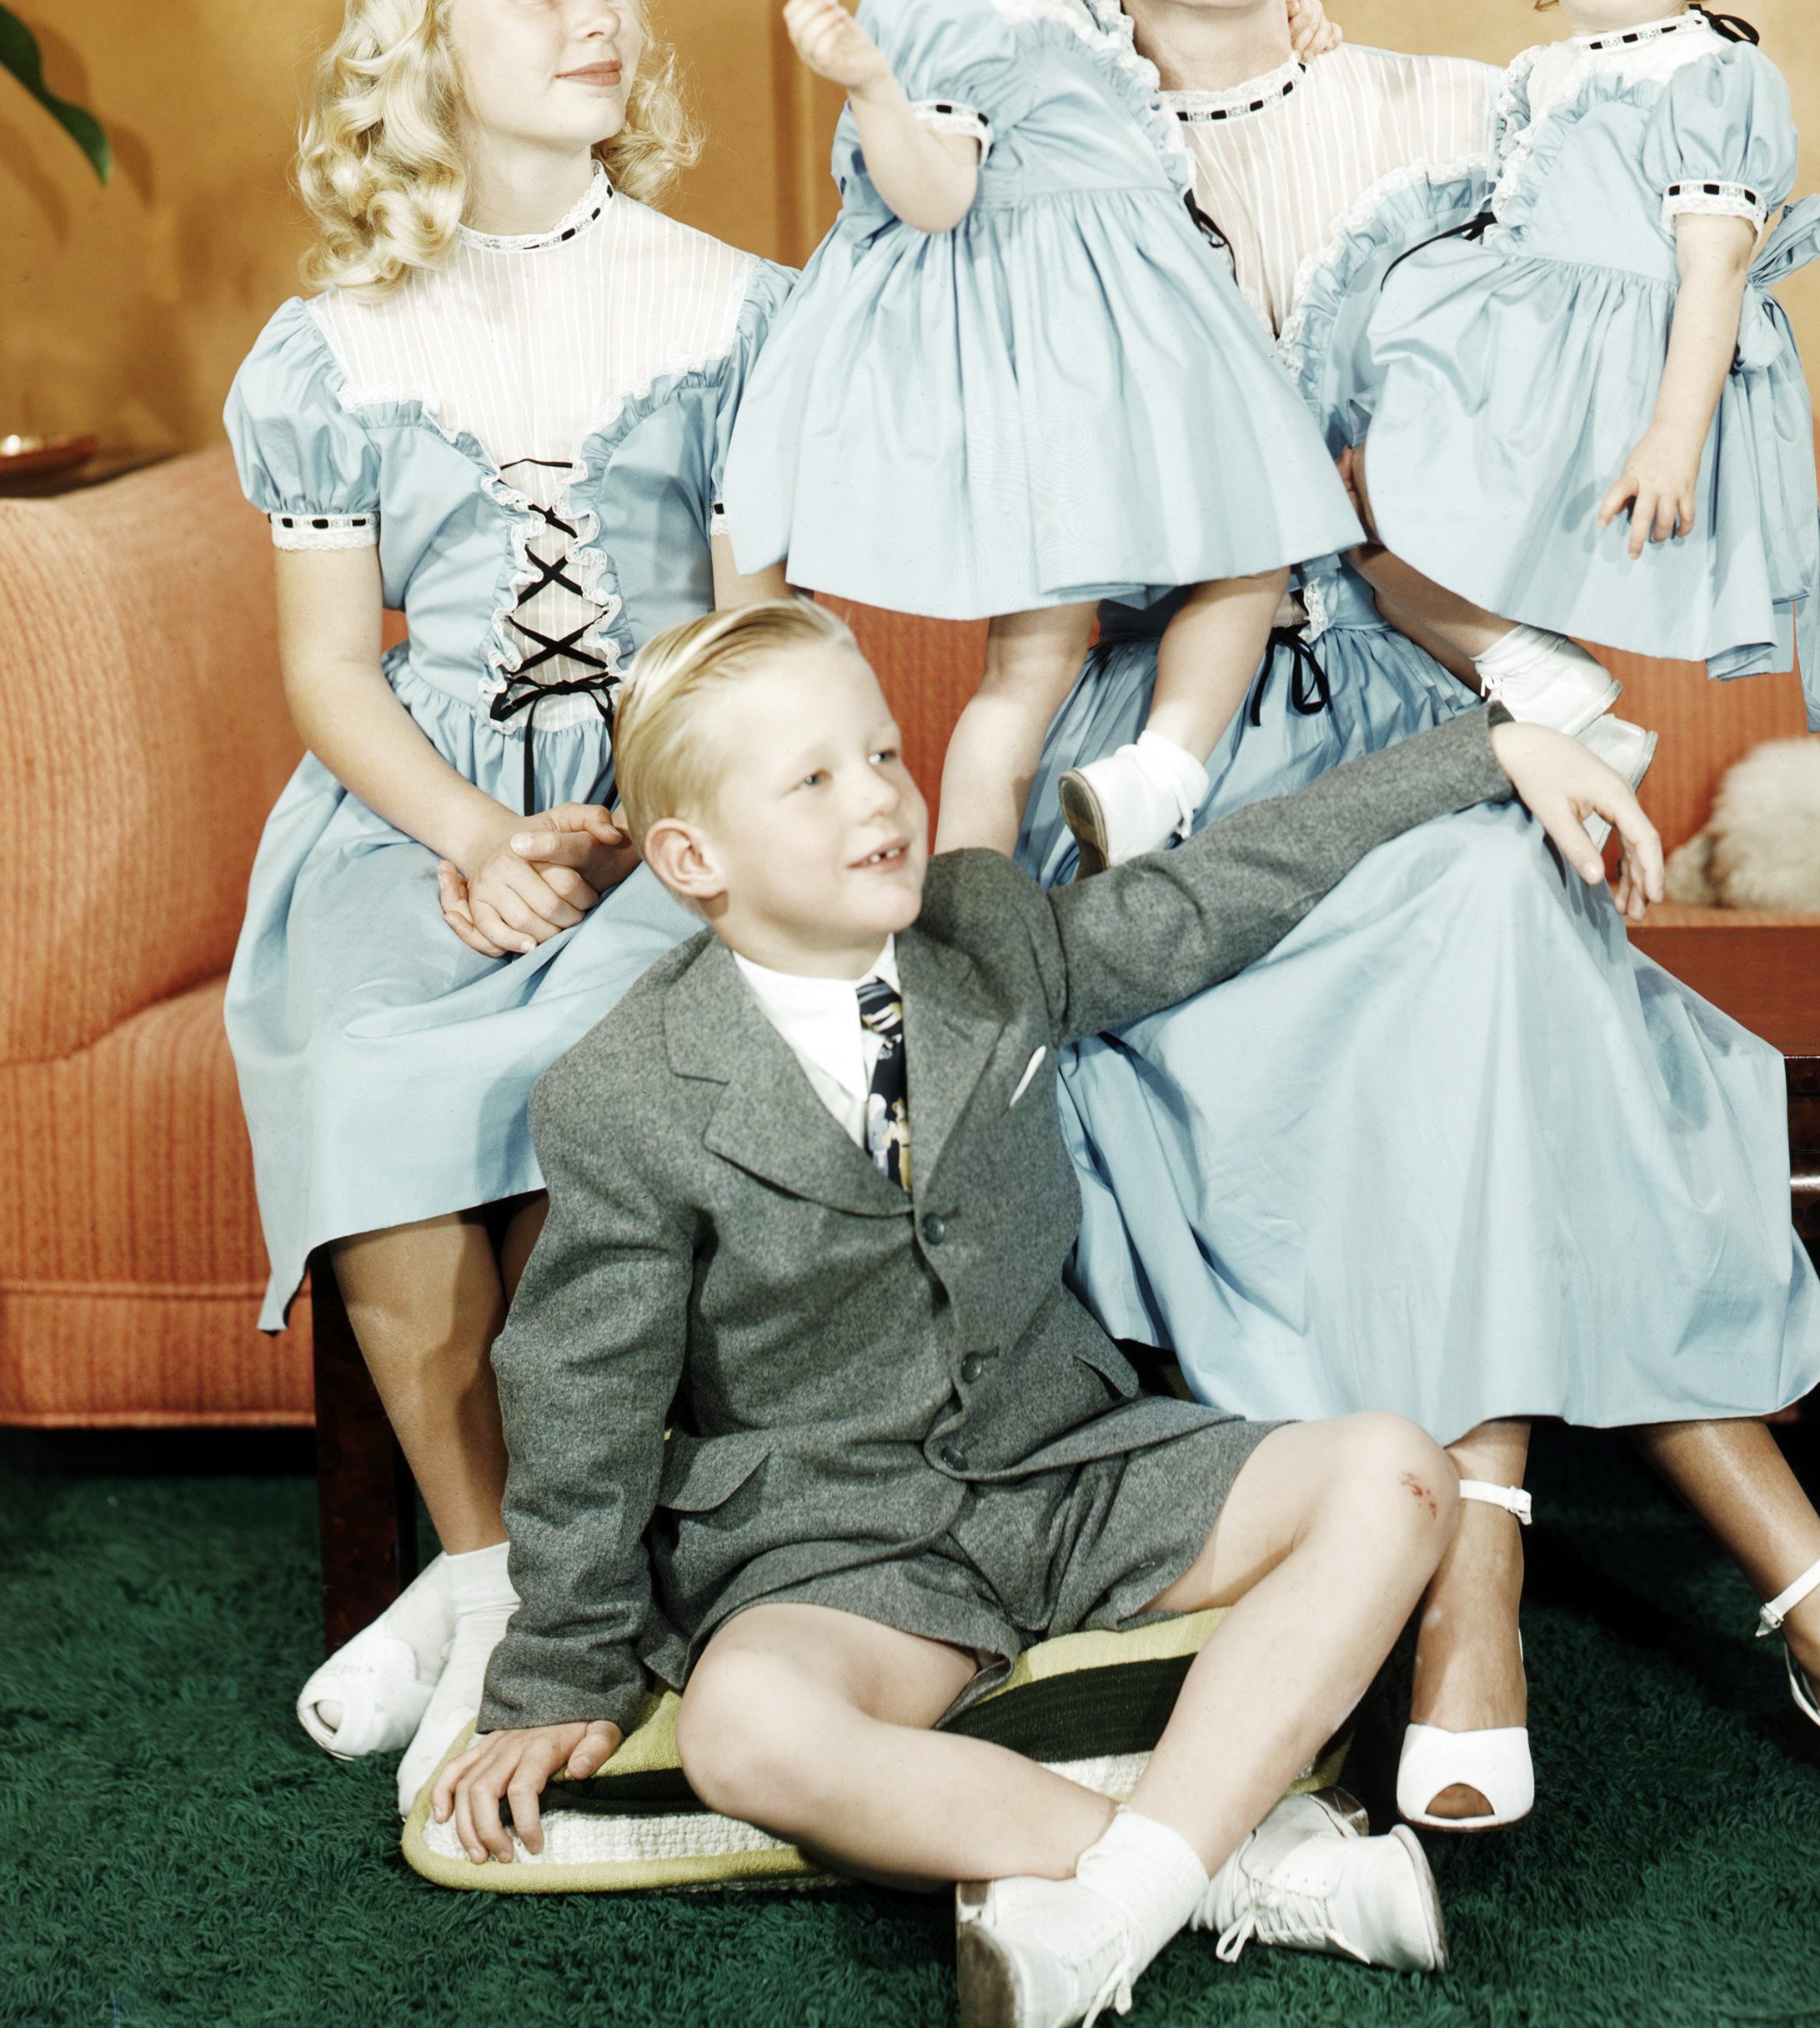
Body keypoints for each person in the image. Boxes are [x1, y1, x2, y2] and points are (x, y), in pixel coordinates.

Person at [1019, 0, 1820, 1862]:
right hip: (1157, 765)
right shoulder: (1027, 148)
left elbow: (1547, 440)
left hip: (1421, 691)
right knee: (1478, 960)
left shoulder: (1469, 116)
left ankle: (1488, 1585)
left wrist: (1534, 701)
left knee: (1486, 908)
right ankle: (1815, 1610)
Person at [434, 599, 1661, 2025]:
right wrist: (555, 1673)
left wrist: (1493, 751)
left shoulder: (988, 936)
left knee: (1397, 1470)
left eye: (883, 751)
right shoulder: (626, 1089)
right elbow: (579, 1395)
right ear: (694, 858)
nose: (882, 795)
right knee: (745, 1734)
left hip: (1075, 1470)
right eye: (814, 779)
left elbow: (1228, 887)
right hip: (830, 1539)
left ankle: (1122, 1901)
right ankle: (1237, 1865)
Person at [222, 0, 790, 1812]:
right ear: (429, 42)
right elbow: (329, 670)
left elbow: (751, 640)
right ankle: (480, 1576)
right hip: (417, 802)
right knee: (377, 1061)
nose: (588, 16)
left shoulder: (733, 308)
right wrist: (470, 833)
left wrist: (643, 820)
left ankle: (548, 1584)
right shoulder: (336, 341)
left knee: (586, 1060)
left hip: (667, 805)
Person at [719, 0, 1361, 865]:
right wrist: (870, 86)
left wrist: (1296, 13)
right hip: (1065, 366)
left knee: (1181, 584)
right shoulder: (948, 7)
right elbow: (937, 195)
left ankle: (1134, 787)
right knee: (1069, 641)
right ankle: (986, 888)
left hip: (1124, 350)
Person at [1315, 0, 1820, 757]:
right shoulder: (1548, 70)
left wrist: (1672, 437)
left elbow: (1716, 271)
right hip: (1520, 363)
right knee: (1351, 525)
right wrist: (1303, 20)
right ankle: (1537, 689)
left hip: (1604, 385)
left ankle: (1535, 678)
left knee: (1377, 527)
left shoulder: (1710, 73)